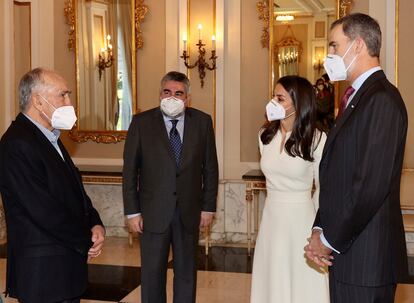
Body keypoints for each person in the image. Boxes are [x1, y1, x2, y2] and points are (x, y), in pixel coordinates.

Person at [305, 13, 408, 303]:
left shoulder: (382, 100)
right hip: (349, 253)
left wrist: (328, 240)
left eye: (335, 46)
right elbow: (337, 174)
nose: (330, 54)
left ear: (358, 45)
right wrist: (319, 227)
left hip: (366, 258)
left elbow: (369, 187)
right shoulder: (356, 97)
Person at [0, 68, 105, 303]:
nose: (69, 102)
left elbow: (74, 190)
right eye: (63, 95)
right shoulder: (17, 143)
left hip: (63, 268)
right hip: (43, 274)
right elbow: (42, 210)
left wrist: (95, 222)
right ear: (38, 101)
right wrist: (85, 239)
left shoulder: (50, 138)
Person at [123, 71, 219, 303]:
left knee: (186, 273)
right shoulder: (141, 122)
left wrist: (208, 208)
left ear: (187, 98)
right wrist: (132, 212)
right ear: (160, 94)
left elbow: (211, 168)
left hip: (189, 212)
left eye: (179, 93)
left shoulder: (203, 122)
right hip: (153, 212)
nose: (172, 97)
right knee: (152, 274)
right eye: (167, 92)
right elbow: (129, 171)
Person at [250, 76, 329, 303]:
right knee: (272, 277)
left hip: (302, 218)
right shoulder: (264, 136)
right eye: (273, 96)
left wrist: (318, 229)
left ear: (297, 102)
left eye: (279, 98)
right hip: (272, 217)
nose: (272, 102)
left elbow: (322, 189)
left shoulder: (317, 138)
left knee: (302, 280)